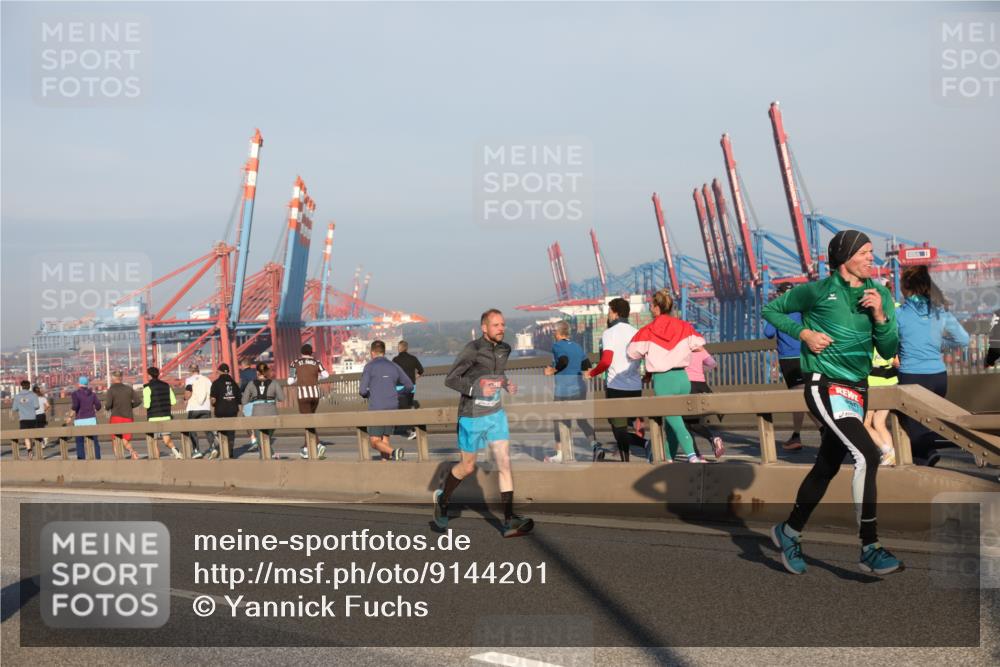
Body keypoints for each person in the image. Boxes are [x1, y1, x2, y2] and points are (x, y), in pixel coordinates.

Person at [763, 229, 902, 576]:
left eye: (872, 253)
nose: (872, 258)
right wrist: (804, 334)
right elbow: (772, 310)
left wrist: (880, 318)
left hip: (858, 389)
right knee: (868, 453)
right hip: (823, 384)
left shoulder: (880, 294)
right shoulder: (817, 291)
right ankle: (870, 545)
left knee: (826, 466)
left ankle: (789, 531)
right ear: (844, 257)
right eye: (865, 253)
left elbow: (887, 350)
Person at [435, 308, 533, 538]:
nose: (501, 328)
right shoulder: (473, 350)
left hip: (495, 414)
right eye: (496, 325)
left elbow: (497, 374)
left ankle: (509, 521)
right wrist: (477, 388)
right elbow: (450, 379)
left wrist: (506, 384)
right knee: (467, 467)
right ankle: (443, 499)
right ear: (484, 328)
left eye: (503, 324)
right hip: (471, 415)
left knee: (505, 464)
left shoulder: (504, 349)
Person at [896, 265, 971, 466]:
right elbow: (963, 340)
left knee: (914, 428)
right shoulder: (939, 311)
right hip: (939, 378)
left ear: (907, 288)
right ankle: (928, 455)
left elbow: (889, 342)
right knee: (927, 422)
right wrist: (940, 345)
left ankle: (925, 462)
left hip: (913, 377)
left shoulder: (900, 314)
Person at [627, 289, 707, 463]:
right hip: (683, 378)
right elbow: (700, 344)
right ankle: (668, 457)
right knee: (672, 423)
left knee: (675, 422)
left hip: (663, 380)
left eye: (651, 306)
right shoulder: (684, 326)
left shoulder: (647, 330)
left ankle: (692, 456)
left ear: (655, 308)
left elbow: (632, 352)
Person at [586, 297, 646, 462]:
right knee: (624, 427)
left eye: (609, 311)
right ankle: (625, 461)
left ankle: (644, 444)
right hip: (635, 387)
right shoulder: (636, 332)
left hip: (616, 387)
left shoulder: (609, 333)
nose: (608, 315)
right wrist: (647, 375)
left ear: (615, 313)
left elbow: (606, 361)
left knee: (618, 428)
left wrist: (591, 373)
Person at [763, 282, 817, 450]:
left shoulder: (779, 310)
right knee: (800, 396)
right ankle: (796, 435)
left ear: (780, 295)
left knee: (800, 397)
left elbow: (768, 333)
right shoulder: (802, 310)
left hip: (789, 358)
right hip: (808, 356)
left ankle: (825, 429)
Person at [543, 320, 601, 462]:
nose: (552, 334)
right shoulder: (577, 346)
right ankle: (596, 446)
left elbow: (563, 360)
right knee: (581, 420)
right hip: (580, 388)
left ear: (557, 333)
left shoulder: (557, 346)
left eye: (553, 332)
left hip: (564, 390)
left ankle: (560, 454)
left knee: (559, 420)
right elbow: (587, 365)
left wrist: (553, 370)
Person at [359, 340, 412, 461]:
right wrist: (397, 394)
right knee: (385, 439)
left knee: (374, 441)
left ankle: (394, 452)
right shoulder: (394, 366)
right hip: (392, 406)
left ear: (372, 353)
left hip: (377, 407)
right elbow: (409, 385)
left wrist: (369, 395)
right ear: (384, 352)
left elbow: (362, 391)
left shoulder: (369, 367)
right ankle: (386, 468)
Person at [685, 347, 725, 460]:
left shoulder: (681, 348)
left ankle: (697, 454)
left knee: (686, 424)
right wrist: (699, 369)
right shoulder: (700, 349)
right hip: (702, 386)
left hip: (688, 386)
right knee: (692, 422)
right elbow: (712, 364)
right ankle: (713, 439)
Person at [289, 343, 329, 460]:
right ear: (311, 352)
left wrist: (298, 379)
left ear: (301, 353)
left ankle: (317, 444)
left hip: (303, 396)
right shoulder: (317, 362)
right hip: (315, 395)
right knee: (310, 419)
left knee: (307, 421)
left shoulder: (295, 363)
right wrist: (317, 378)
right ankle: (307, 447)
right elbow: (326, 375)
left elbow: (290, 381)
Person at [865, 343, 900, 468]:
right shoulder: (888, 342)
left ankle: (886, 451)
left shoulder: (866, 341)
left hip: (872, 384)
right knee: (879, 423)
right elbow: (896, 362)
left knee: (865, 424)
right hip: (891, 382)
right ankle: (891, 456)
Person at [242, 362, 284, 459]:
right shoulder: (274, 383)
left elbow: (244, 401)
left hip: (257, 414)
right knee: (265, 440)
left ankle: (269, 457)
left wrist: (254, 398)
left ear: (257, 372)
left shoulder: (251, 384)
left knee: (261, 440)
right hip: (272, 414)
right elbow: (281, 398)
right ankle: (267, 458)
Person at [143, 367, 182, 459]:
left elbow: (147, 405)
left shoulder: (147, 387)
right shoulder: (166, 386)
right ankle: (177, 452)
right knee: (166, 440)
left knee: (154, 441)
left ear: (149, 375)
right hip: (166, 416)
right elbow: (173, 402)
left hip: (153, 417)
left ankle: (157, 460)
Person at [392, 340, 424, 440]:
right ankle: (408, 428)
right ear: (407, 348)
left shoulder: (395, 360)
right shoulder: (413, 358)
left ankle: (411, 430)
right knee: (408, 406)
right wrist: (415, 378)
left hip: (400, 386)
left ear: (400, 348)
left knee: (402, 408)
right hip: (411, 387)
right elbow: (421, 370)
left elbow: (392, 373)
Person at [105, 370, 141, 460]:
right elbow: (138, 401)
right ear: (121, 378)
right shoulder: (128, 388)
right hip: (128, 416)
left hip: (116, 417)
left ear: (113, 378)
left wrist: (107, 407)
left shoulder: (111, 390)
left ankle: (119, 459)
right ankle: (132, 452)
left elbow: (108, 405)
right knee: (125, 439)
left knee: (115, 439)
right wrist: (130, 406)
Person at [183, 364, 216, 459]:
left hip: (193, 408)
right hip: (205, 408)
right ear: (199, 370)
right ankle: (213, 447)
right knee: (207, 429)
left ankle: (196, 450)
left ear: (190, 370)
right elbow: (211, 394)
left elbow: (188, 393)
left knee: (192, 430)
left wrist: (185, 399)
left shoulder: (189, 380)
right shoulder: (207, 380)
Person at [209, 363, 241, 458]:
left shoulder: (216, 383)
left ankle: (224, 452)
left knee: (222, 432)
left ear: (219, 371)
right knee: (231, 433)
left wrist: (212, 403)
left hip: (221, 411)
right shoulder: (234, 383)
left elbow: (213, 399)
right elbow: (239, 399)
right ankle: (230, 452)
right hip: (232, 410)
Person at [70, 376, 102, 460]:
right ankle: (97, 458)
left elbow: (75, 406)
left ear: (79, 384)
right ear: (87, 384)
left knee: (80, 442)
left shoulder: (75, 394)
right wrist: (94, 409)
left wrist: (70, 416)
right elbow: (98, 406)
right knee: (95, 441)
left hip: (80, 420)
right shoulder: (93, 394)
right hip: (91, 420)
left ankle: (81, 460)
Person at [12, 380, 39, 458]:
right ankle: (34, 449)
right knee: (34, 435)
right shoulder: (33, 395)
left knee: (26, 436)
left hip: (23, 419)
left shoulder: (17, 396)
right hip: (32, 418)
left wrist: (22, 407)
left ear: (21, 386)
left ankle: (29, 450)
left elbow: (14, 408)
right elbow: (37, 406)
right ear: (29, 386)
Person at [238, 358, 259, 450]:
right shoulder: (255, 372)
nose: (241, 367)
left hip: (248, 400)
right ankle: (260, 439)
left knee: (247, 421)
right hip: (257, 399)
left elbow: (242, 385)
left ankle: (254, 441)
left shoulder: (243, 374)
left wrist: (239, 391)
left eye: (241, 365)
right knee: (257, 420)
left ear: (244, 365)